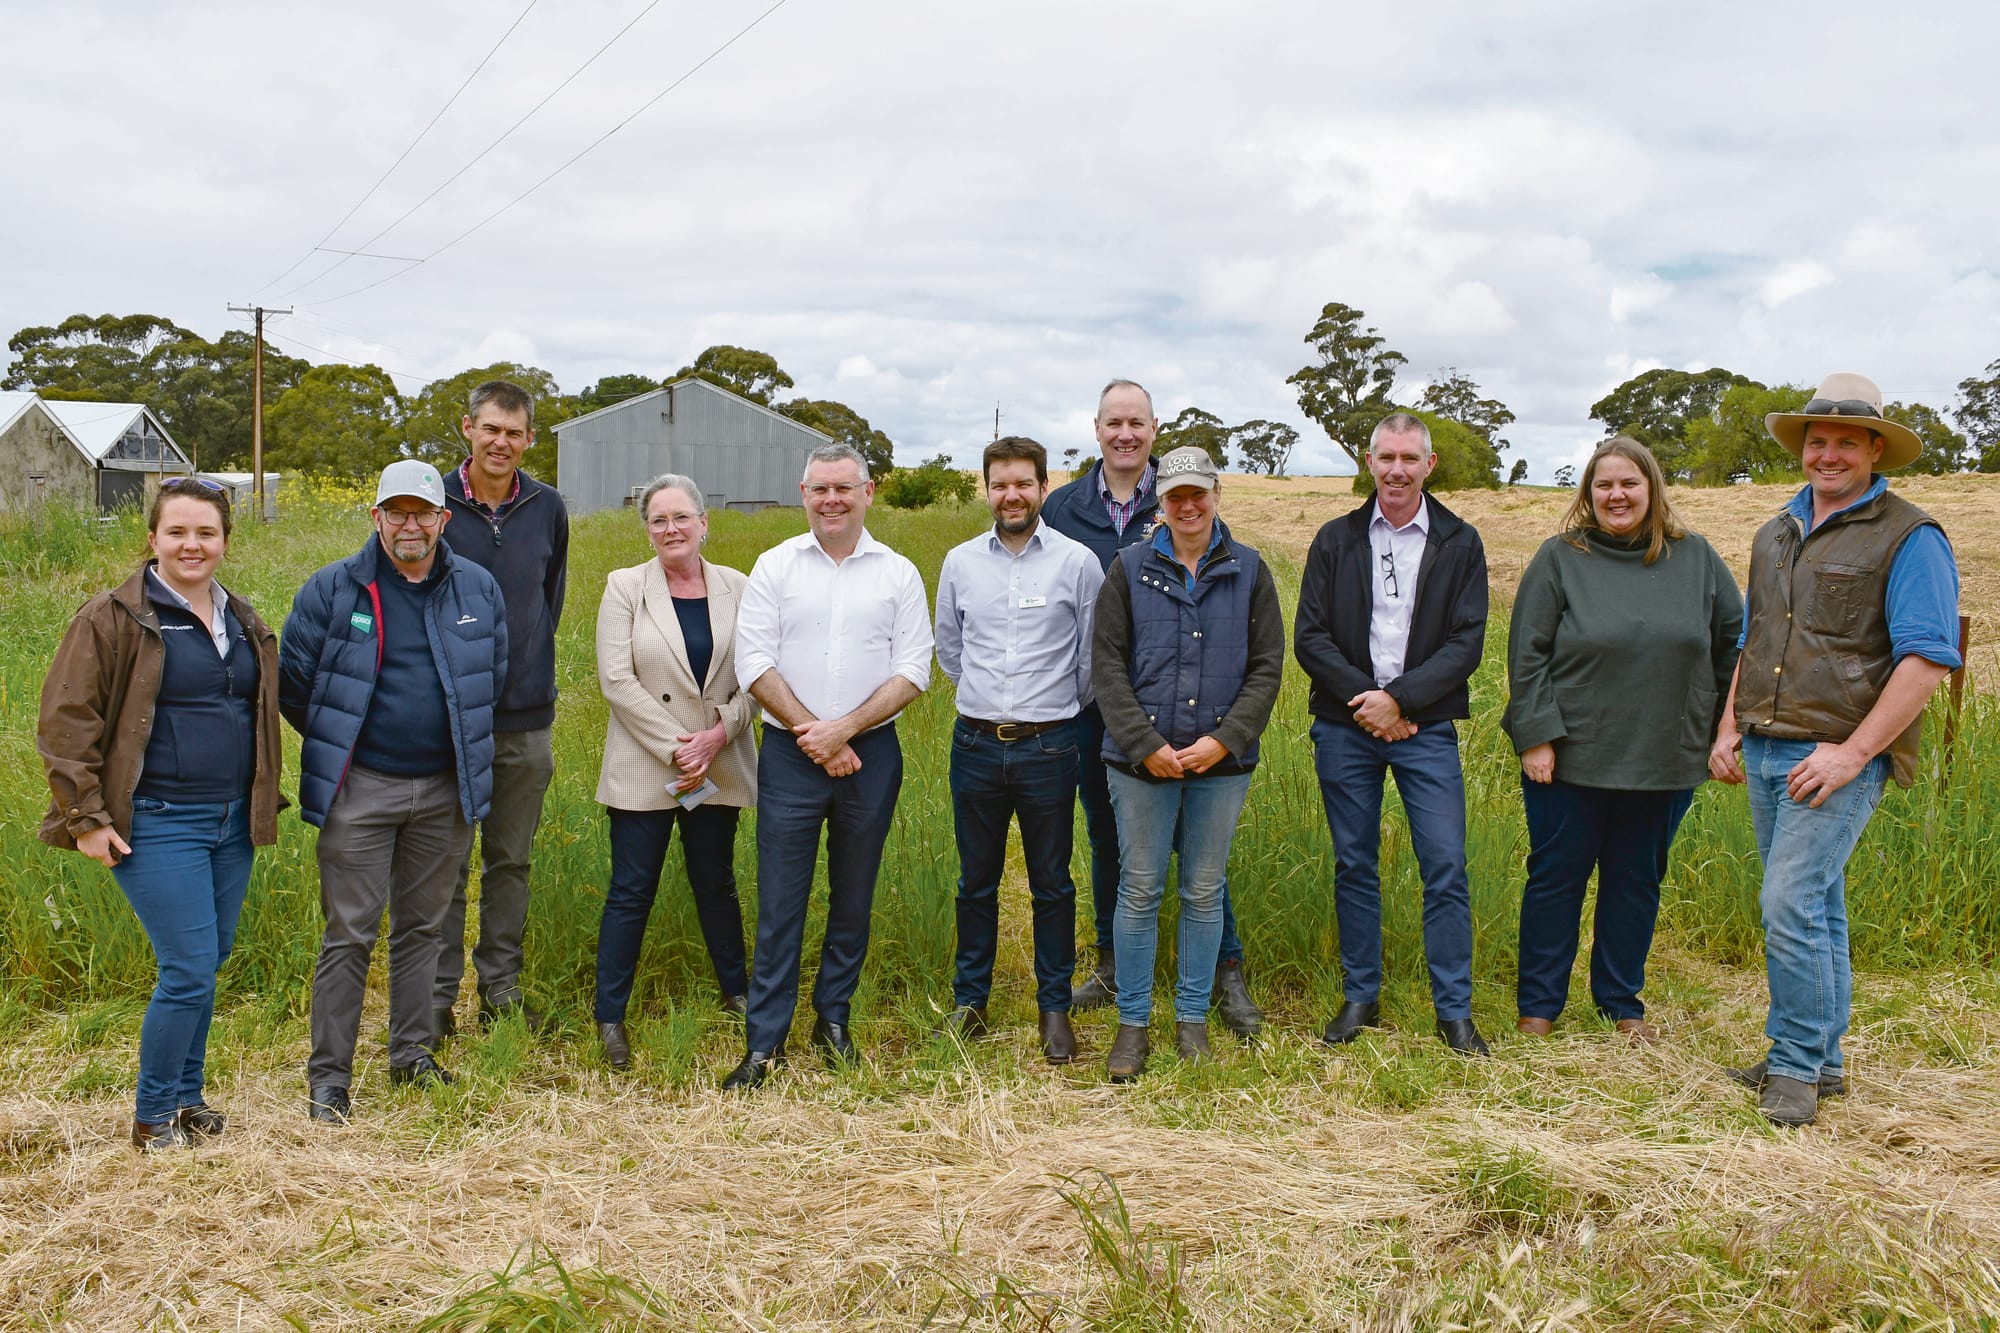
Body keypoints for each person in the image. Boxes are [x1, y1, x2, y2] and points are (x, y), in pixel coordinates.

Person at [1710, 373, 1961, 1126]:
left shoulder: (1911, 535)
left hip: (1834, 753)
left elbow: (1926, 659)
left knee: (1787, 901)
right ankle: (1822, 1059)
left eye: (1845, 442)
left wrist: (1853, 753)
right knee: (1815, 903)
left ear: (1875, 448)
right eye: (1816, 440)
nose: (1827, 453)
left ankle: (1792, 1065)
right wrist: (1728, 726)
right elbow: (1754, 640)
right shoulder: (1775, 531)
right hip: (1764, 745)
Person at [37, 478, 283, 1151]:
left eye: (206, 532)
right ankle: (152, 1119)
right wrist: (85, 816)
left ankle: (187, 1097)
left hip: (231, 821)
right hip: (157, 819)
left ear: (226, 541)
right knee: (188, 966)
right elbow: (66, 722)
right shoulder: (112, 617)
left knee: (210, 958)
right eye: (177, 531)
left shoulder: (244, 617)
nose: (191, 544)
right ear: (153, 538)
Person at [280, 460, 506, 1124]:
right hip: (362, 790)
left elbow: (490, 677)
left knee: (423, 930)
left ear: (444, 518)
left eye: (423, 512)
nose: (411, 524)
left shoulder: (478, 589)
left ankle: (411, 1057)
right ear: (375, 517)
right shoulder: (331, 590)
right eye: (396, 511)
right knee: (348, 932)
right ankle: (330, 1080)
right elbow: (297, 685)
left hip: (444, 790)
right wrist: (349, 748)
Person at [1042, 379, 1263, 1036]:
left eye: (1137, 421)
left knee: (1202, 858)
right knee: (1115, 844)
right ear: (1097, 427)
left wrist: (1225, 733)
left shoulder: (1178, 497)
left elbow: (1255, 647)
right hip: (1098, 710)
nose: (1125, 433)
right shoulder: (1063, 508)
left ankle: (1225, 970)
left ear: (1155, 429)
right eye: (1114, 422)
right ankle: (1115, 967)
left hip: (1199, 716)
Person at [1504, 437, 1742, 1042]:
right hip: (1569, 756)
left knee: (1636, 882)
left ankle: (1619, 1002)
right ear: (1588, 494)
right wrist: (1536, 737)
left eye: (1629, 484)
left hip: (1664, 755)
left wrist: (1723, 726)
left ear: (1652, 489)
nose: (1617, 495)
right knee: (1556, 880)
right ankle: (1539, 1006)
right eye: (1604, 485)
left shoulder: (1696, 560)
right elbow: (1526, 654)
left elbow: (1734, 647)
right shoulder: (1560, 558)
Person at [721, 443, 932, 1089]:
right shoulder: (775, 565)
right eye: (820, 489)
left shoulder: (897, 573)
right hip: (789, 755)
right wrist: (817, 734)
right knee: (781, 900)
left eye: (844, 487)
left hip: (872, 754)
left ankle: (833, 1019)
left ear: (869, 492)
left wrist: (845, 730)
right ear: (804, 493)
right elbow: (752, 660)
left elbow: (914, 669)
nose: (832, 500)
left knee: (854, 893)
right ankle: (766, 1043)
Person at [1293, 412, 1492, 1056]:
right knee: (1355, 863)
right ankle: (1361, 997)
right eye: (1386, 458)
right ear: (1370, 463)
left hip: (1425, 728)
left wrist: (1401, 701)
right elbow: (1310, 637)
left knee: (1445, 864)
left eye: (1410, 458)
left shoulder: (1460, 542)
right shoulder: (1335, 539)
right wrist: (1369, 703)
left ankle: (1453, 1011)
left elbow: (1467, 643)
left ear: (1429, 465)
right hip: (1347, 726)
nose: (1397, 470)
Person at [1090, 446, 1284, 1081]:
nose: (1189, 505)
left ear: (1216, 495)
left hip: (1220, 766)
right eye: (1176, 496)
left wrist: (1223, 740)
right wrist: (1145, 744)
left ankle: (1193, 1018)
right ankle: (1134, 1023)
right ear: (1161, 502)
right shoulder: (1128, 568)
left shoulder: (1250, 571)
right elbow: (1107, 667)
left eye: (1199, 493)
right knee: (1140, 887)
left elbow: (1266, 669)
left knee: (1204, 890)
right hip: (1139, 762)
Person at [933, 436, 1105, 1064]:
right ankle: (970, 1003)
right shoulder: (959, 563)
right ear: (987, 488)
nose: (1011, 495)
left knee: (1052, 885)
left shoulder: (1078, 563)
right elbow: (950, 650)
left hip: (1050, 747)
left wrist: (1044, 710)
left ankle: (1053, 1008)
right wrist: (989, 703)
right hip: (975, 743)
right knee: (974, 882)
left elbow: (1090, 662)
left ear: (1042, 487)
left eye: (1024, 484)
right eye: (1000, 484)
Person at [592, 474, 758, 1070]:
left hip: (719, 761)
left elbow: (757, 680)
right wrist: (679, 748)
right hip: (646, 764)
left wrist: (718, 735)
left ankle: (738, 993)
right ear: (647, 529)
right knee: (631, 890)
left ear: (704, 522)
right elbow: (616, 680)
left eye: (681, 517)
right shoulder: (624, 587)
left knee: (716, 883)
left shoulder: (740, 588)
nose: (671, 529)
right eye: (658, 520)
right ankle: (611, 1016)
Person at [432, 379, 569, 1040]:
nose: (501, 442)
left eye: (514, 433)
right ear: (468, 428)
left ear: (529, 440)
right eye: (491, 428)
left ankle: (500, 988)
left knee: (509, 860)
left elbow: (548, 602)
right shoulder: (431, 502)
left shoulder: (548, 507)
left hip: (524, 720)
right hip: (445, 721)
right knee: (447, 863)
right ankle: (434, 998)